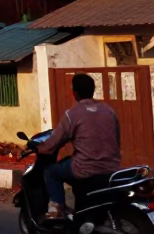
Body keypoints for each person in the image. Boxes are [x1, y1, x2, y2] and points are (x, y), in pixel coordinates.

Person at [38, 73, 121, 219]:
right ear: (93, 90)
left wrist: (40, 148)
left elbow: (54, 142)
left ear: (74, 93)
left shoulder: (72, 115)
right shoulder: (109, 111)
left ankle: (57, 210)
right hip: (112, 167)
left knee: (51, 172)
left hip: (84, 169)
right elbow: (117, 138)